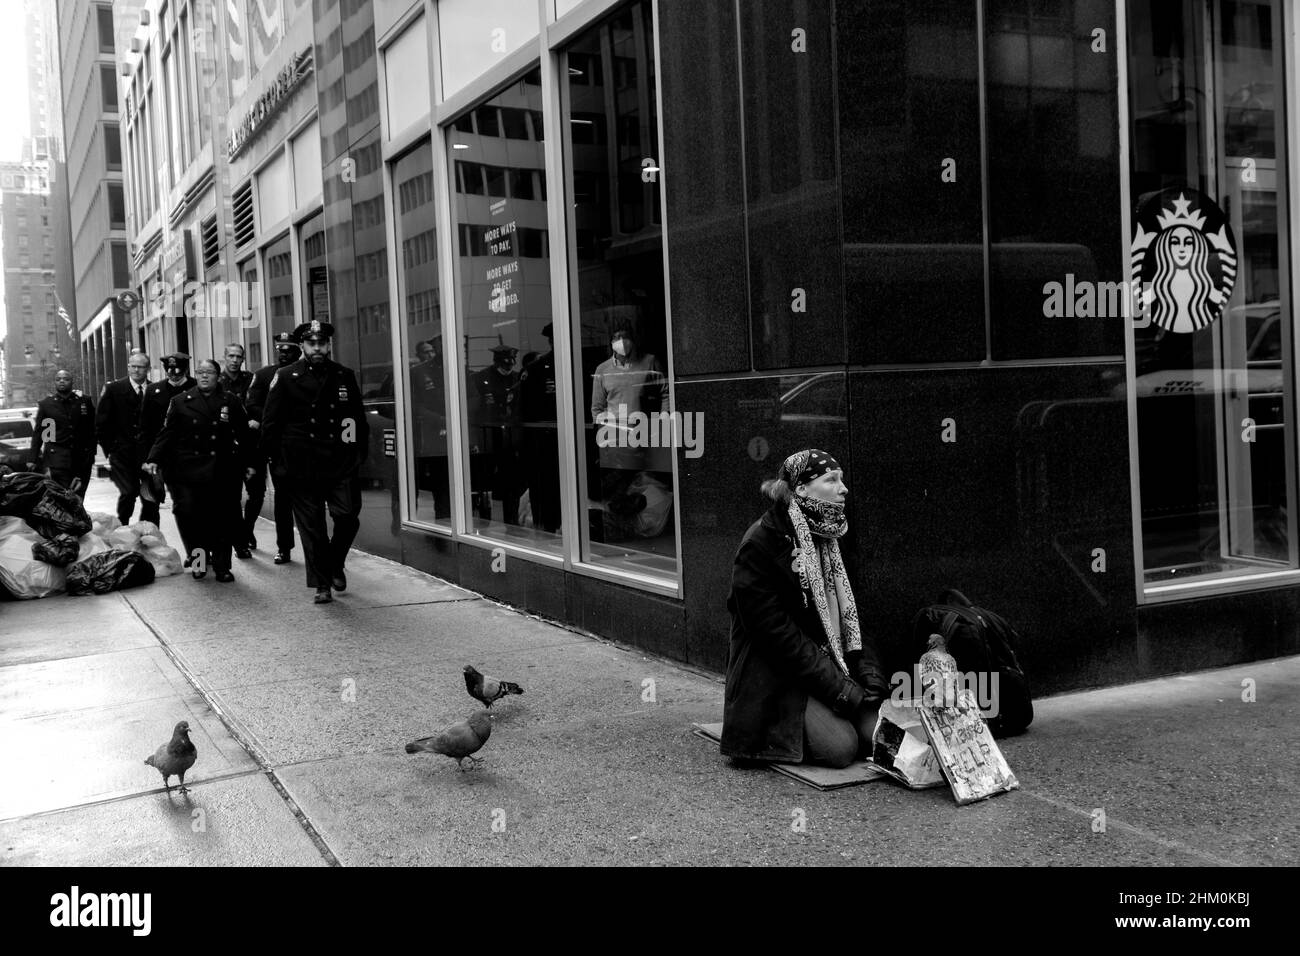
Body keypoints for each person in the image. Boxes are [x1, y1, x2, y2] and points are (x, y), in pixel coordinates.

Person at [721, 449, 889, 768]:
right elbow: (778, 639)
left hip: (830, 665)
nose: (844, 488)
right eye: (831, 480)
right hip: (778, 675)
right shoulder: (761, 544)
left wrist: (869, 675)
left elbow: (853, 616)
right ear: (801, 490)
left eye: (842, 479)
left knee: (876, 737)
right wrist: (841, 690)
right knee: (841, 749)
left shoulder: (835, 535)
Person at [261, 320, 369, 604]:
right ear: (303, 346)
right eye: (312, 343)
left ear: (329, 345)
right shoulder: (286, 376)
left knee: (347, 516)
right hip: (301, 464)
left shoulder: (343, 375)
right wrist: (276, 464)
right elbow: (271, 424)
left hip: (339, 461)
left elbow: (355, 418)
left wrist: (358, 454)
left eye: (322, 343)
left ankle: (335, 562)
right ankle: (322, 583)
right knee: (312, 528)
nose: (317, 348)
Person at [143, 359, 256, 584]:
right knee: (190, 517)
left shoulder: (229, 401)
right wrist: (153, 458)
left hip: (221, 469)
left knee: (222, 518)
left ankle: (223, 566)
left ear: (217, 376)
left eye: (210, 372)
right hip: (186, 470)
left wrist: (249, 463)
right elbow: (167, 433)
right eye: (201, 372)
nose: (204, 376)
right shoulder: (180, 401)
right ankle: (198, 562)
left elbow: (244, 435)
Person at [589, 325, 669, 537]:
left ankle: (633, 522)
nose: (622, 342)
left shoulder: (649, 361)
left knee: (639, 478)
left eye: (625, 337)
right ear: (611, 342)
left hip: (642, 431)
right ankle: (619, 524)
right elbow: (597, 407)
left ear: (633, 340)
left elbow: (666, 391)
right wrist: (603, 432)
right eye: (617, 337)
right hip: (614, 437)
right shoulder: (602, 369)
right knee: (617, 482)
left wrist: (663, 418)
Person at [245, 332, 301, 564]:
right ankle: (283, 547)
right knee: (274, 498)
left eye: (289, 350)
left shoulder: (304, 375)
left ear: (298, 350)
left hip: (298, 445)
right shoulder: (265, 375)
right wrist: (271, 420)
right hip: (269, 443)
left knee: (299, 499)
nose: (284, 353)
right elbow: (252, 403)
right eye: (281, 349)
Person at [96, 352, 159, 526]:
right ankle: (122, 526)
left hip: (148, 455)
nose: (136, 370)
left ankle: (149, 531)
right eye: (133, 366)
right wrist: (110, 449)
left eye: (140, 367)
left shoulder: (156, 390)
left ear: (147, 369)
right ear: (128, 367)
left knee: (150, 496)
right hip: (122, 454)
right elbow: (101, 423)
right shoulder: (114, 389)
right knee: (129, 492)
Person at [468, 344, 522, 524]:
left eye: (511, 363)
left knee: (511, 483)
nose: (509, 367)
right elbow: (474, 410)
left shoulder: (517, 378)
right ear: (497, 361)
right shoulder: (480, 378)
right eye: (505, 363)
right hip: (487, 436)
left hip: (509, 438)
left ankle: (511, 520)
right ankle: (483, 519)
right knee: (483, 480)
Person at [519, 324, 560, 532]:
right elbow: (527, 408)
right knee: (545, 489)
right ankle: (545, 528)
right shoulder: (537, 368)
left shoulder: (579, 363)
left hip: (572, 440)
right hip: (544, 441)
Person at [30, 369, 97, 495]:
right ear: (54, 383)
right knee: (63, 497)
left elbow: (92, 430)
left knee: (78, 497)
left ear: (72, 382)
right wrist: (32, 458)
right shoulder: (46, 405)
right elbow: (40, 433)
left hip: (81, 459)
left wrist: (92, 453)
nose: (62, 381)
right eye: (58, 379)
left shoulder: (84, 401)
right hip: (58, 460)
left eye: (66, 379)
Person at [410, 336, 449, 518]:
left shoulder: (442, 371)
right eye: (426, 352)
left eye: (432, 351)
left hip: (442, 433)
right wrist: (437, 418)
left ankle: (443, 518)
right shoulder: (415, 373)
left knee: (442, 484)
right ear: (418, 354)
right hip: (421, 435)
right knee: (416, 483)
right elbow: (414, 405)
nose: (430, 355)